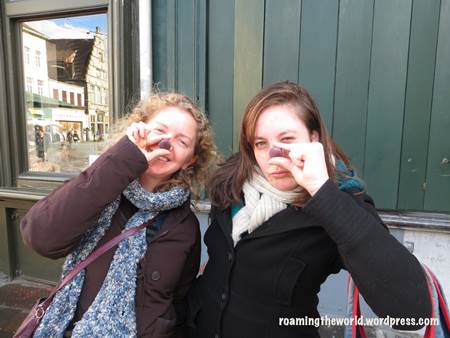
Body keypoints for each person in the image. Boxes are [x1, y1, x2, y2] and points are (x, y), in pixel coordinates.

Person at [187, 81, 431, 338]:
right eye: (260, 143)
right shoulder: (233, 181)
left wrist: (321, 191)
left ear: (313, 138)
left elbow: (412, 312)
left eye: (287, 139)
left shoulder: (338, 203)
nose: (273, 156)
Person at [20, 93, 216, 337]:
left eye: (182, 142)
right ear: (139, 129)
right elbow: (40, 237)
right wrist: (125, 157)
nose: (165, 144)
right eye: (159, 130)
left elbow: (178, 302)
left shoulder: (184, 225)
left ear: (190, 161)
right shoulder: (101, 185)